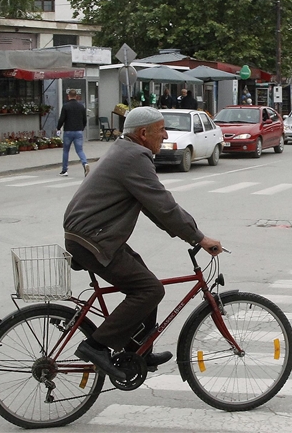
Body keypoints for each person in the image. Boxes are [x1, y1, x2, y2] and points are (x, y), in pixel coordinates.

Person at [63, 106, 223, 380]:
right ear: (143, 133)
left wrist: (189, 233)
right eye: (161, 130)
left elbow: (153, 207)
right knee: (149, 291)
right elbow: (163, 205)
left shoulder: (125, 150)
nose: (165, 134)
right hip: (93, 239)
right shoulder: (134, 156)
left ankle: (138, 350)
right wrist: (198, 237)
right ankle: (96, 345)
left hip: (97, 236)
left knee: (148, 283)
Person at [57, 89, 89, 177]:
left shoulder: (66, 106)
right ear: (76, 96)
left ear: (68, 96)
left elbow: (62, 119)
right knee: (79, 150)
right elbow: (84, 120)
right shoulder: (81, 106)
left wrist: (58, 128)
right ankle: (85, 163)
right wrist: (82, 128)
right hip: (78, 131)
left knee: (66, 150)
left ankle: (64, 170)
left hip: (68, 131)